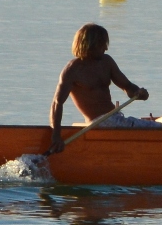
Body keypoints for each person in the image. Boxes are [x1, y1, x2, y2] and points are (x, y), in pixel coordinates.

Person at [47, 23, 156, 154]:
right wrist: (56, 135)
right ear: (90, 45)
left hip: (115, 119)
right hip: (98, 122)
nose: (106, 48)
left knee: (158, 127)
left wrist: (139, 93)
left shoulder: (106, 61)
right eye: (102, 44)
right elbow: (57, 103)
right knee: (159, 129)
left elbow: (127, 86)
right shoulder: (72, 70)